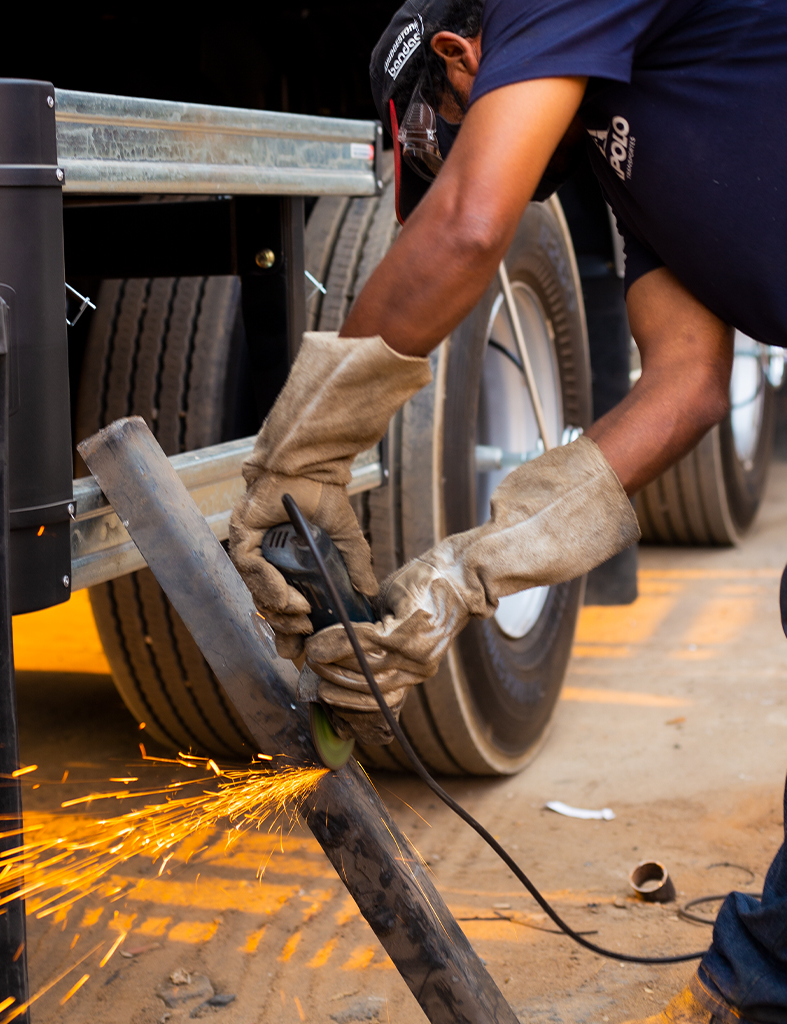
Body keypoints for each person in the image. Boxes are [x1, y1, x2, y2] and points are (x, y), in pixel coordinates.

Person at [228, 0, 787, 1021]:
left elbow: (471, 224)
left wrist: (302, 455)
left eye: (452, 124)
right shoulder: (629, 155)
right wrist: (465, 575)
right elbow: (687, 383)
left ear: (461, 54)